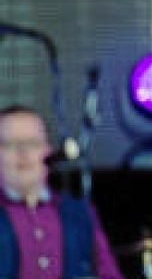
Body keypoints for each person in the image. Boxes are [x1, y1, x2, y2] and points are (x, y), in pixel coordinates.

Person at [0, 104, 123, 279]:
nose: (23, 153)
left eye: (33, 143)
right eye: (10, 144)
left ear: (47, 151)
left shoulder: (78, 211)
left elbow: (109, 273)